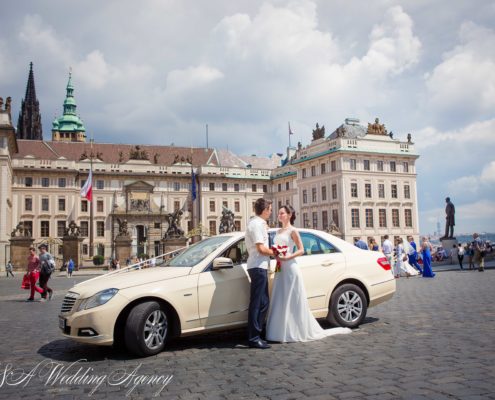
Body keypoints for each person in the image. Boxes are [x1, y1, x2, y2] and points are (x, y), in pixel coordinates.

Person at [266, 205, 351, 342]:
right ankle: (280, 330)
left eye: (282, 213)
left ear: (289, 215)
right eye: (279, 213)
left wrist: (288, 257)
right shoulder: (278, 232)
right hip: (279, 267)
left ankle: (294, 330)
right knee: (280, 297)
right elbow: (276, 248)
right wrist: (276, 254)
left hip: (290, 266)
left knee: (291, 298)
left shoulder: (293, 231)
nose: (279, 215)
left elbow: (301, 250)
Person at [245, 198, 275, 349]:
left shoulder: (257, 223)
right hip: (258, 266)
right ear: (264, 210)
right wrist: (276, 253)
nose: (270, 212)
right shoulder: (257, 224)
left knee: (263, 302)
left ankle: (257, 334)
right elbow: (261, 249)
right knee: (257, 303)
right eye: (270, 209)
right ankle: (254, 337)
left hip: (259, 266)